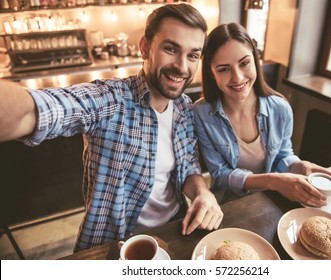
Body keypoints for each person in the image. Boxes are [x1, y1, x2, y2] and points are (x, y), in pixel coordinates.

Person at [0, 3, 223, 252]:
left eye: (193, 55)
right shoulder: (110, 99)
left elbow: (188, 165)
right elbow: (36, 111)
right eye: (171, 49)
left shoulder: (183, 107)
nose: (182, 67)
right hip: (113, 245)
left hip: (175, 230)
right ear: (145, 47)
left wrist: (203, 192)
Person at [194, 23, 331, 207]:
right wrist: (274, 181)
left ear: (256, 60)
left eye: (244, 63)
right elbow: (220, 174)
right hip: (226, 205)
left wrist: (299, 166)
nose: (238, 78)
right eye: (224, 69)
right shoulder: (201, 113)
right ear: (211, 72)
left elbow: (282, 155)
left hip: (273, 200)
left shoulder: (281, 108)